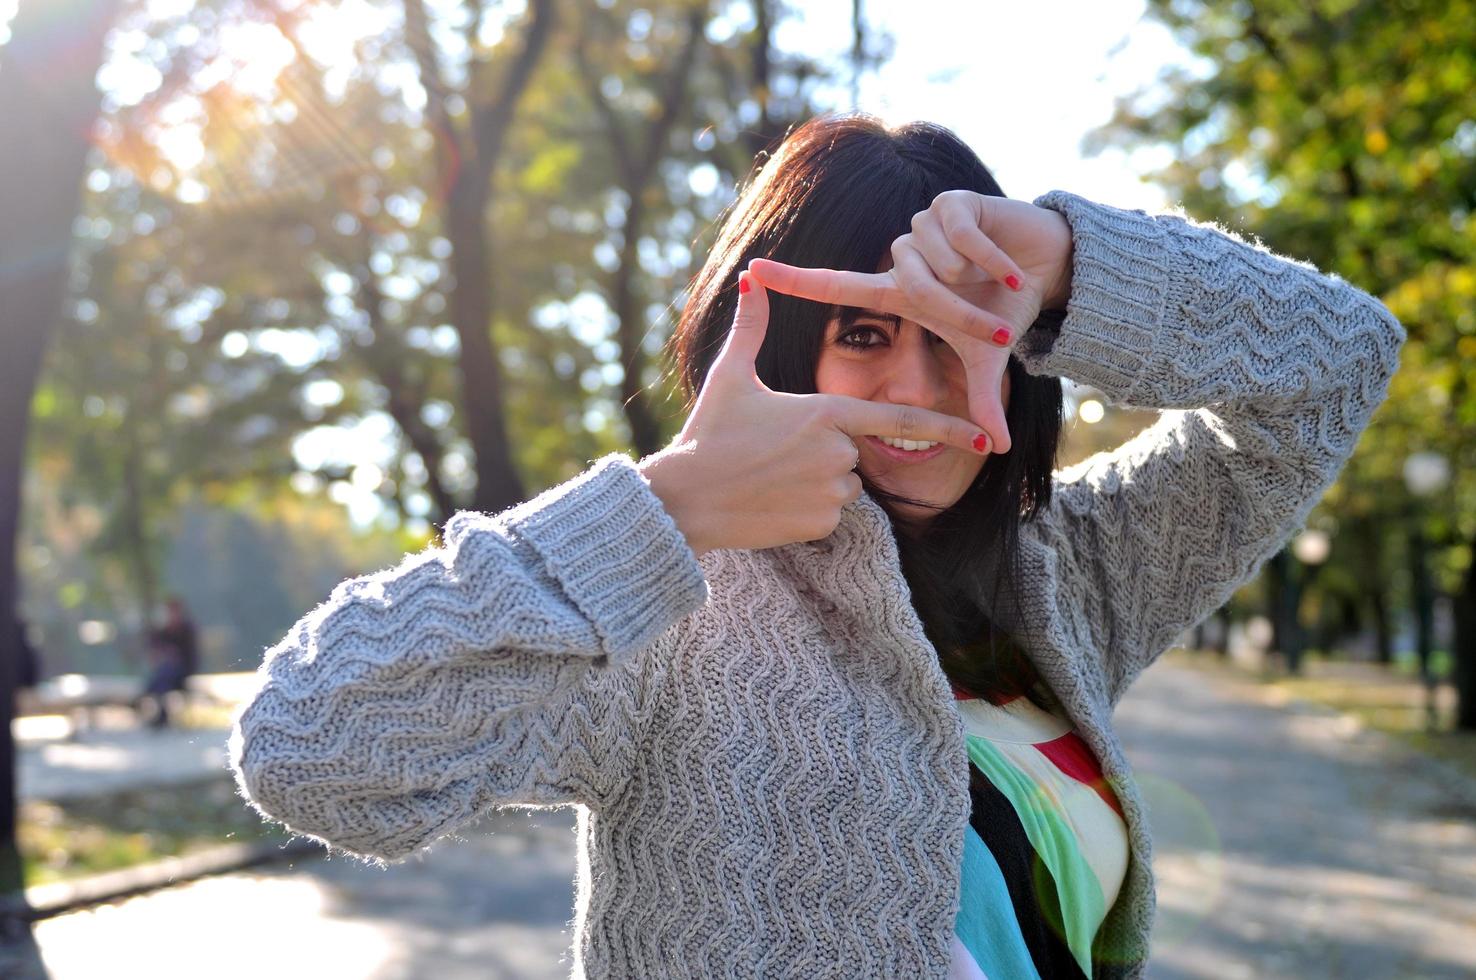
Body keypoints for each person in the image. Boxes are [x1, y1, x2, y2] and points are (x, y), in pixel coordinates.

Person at [227, 114, 1404, 978]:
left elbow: (1339, 360)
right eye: (861, 331)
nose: (914, 386)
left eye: (960, 329)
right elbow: (311, 743)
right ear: (786, 345)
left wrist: (1068, 260)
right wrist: (666, 506)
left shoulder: (1078, 570)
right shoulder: (671, 597)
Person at [139, 595, 198, 730]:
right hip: (167, 673)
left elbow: (189, 657)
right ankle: (160, 714)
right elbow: (155, 652)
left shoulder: (186, 629)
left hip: (183, 672)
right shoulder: (162, 631)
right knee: (163, 676)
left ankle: (161, 715)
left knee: (165, 675)